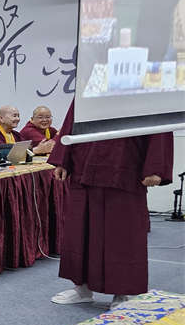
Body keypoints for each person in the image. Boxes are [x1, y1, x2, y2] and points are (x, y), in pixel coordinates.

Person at [47, 101, 174, 306]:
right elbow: (73, 117)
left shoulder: (147, 84)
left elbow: (159, 119)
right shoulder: (90, 81)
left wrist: (155, 167)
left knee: (122, 235)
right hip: (84, 162)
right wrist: (63, 159)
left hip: (125, 163)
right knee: (80, 233)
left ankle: (122, 292)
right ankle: (82, 288)